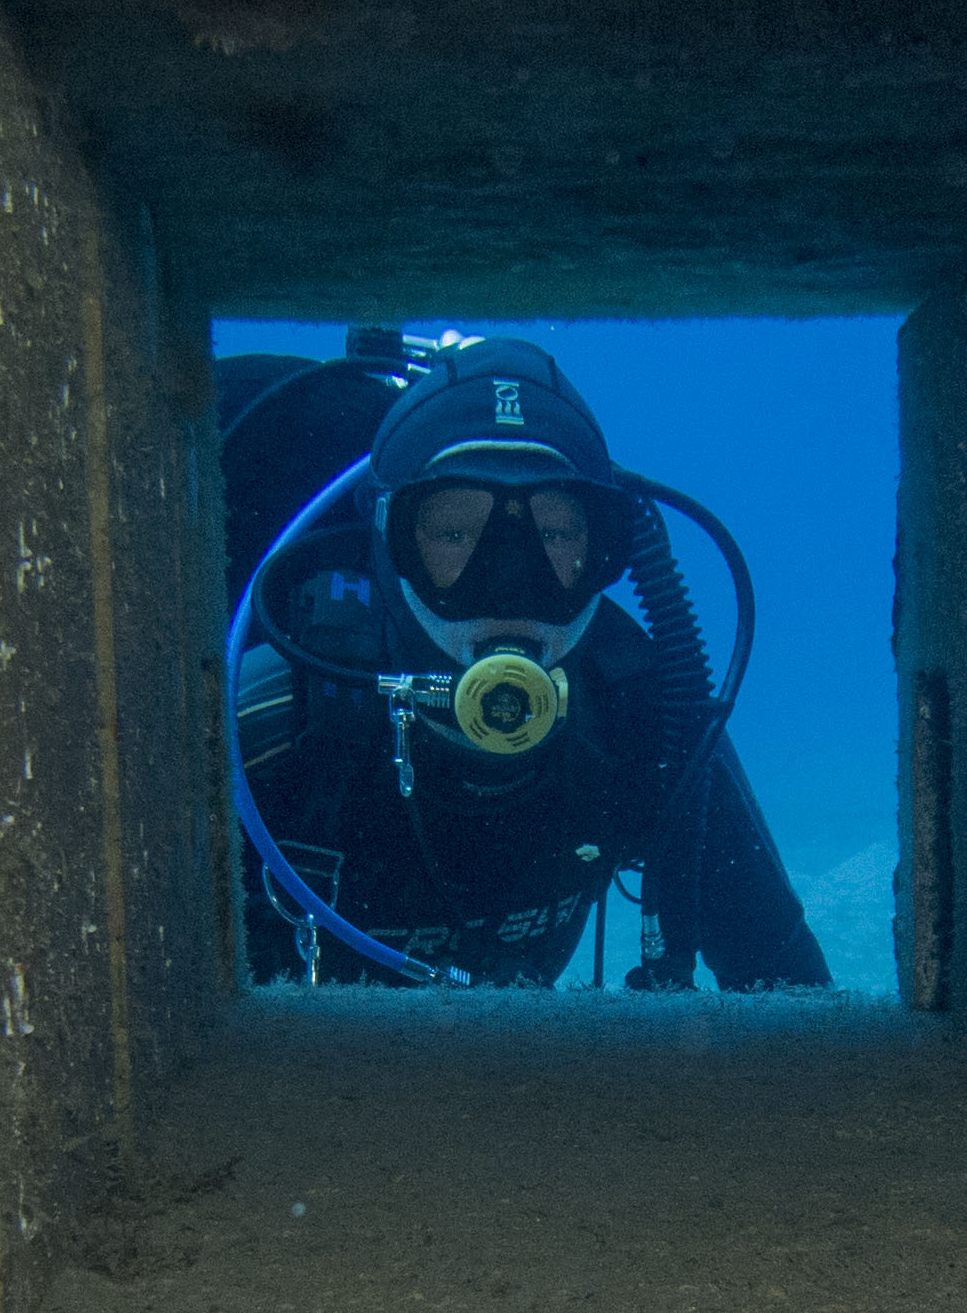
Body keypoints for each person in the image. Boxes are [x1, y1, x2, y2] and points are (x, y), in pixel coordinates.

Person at [224, 333, 830, 992]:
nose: (510, 586)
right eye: (455, 534)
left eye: (554, 535)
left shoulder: (648, 719)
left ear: (603, 552)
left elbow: (784, 976)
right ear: (391, 544)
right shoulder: (273, 726)